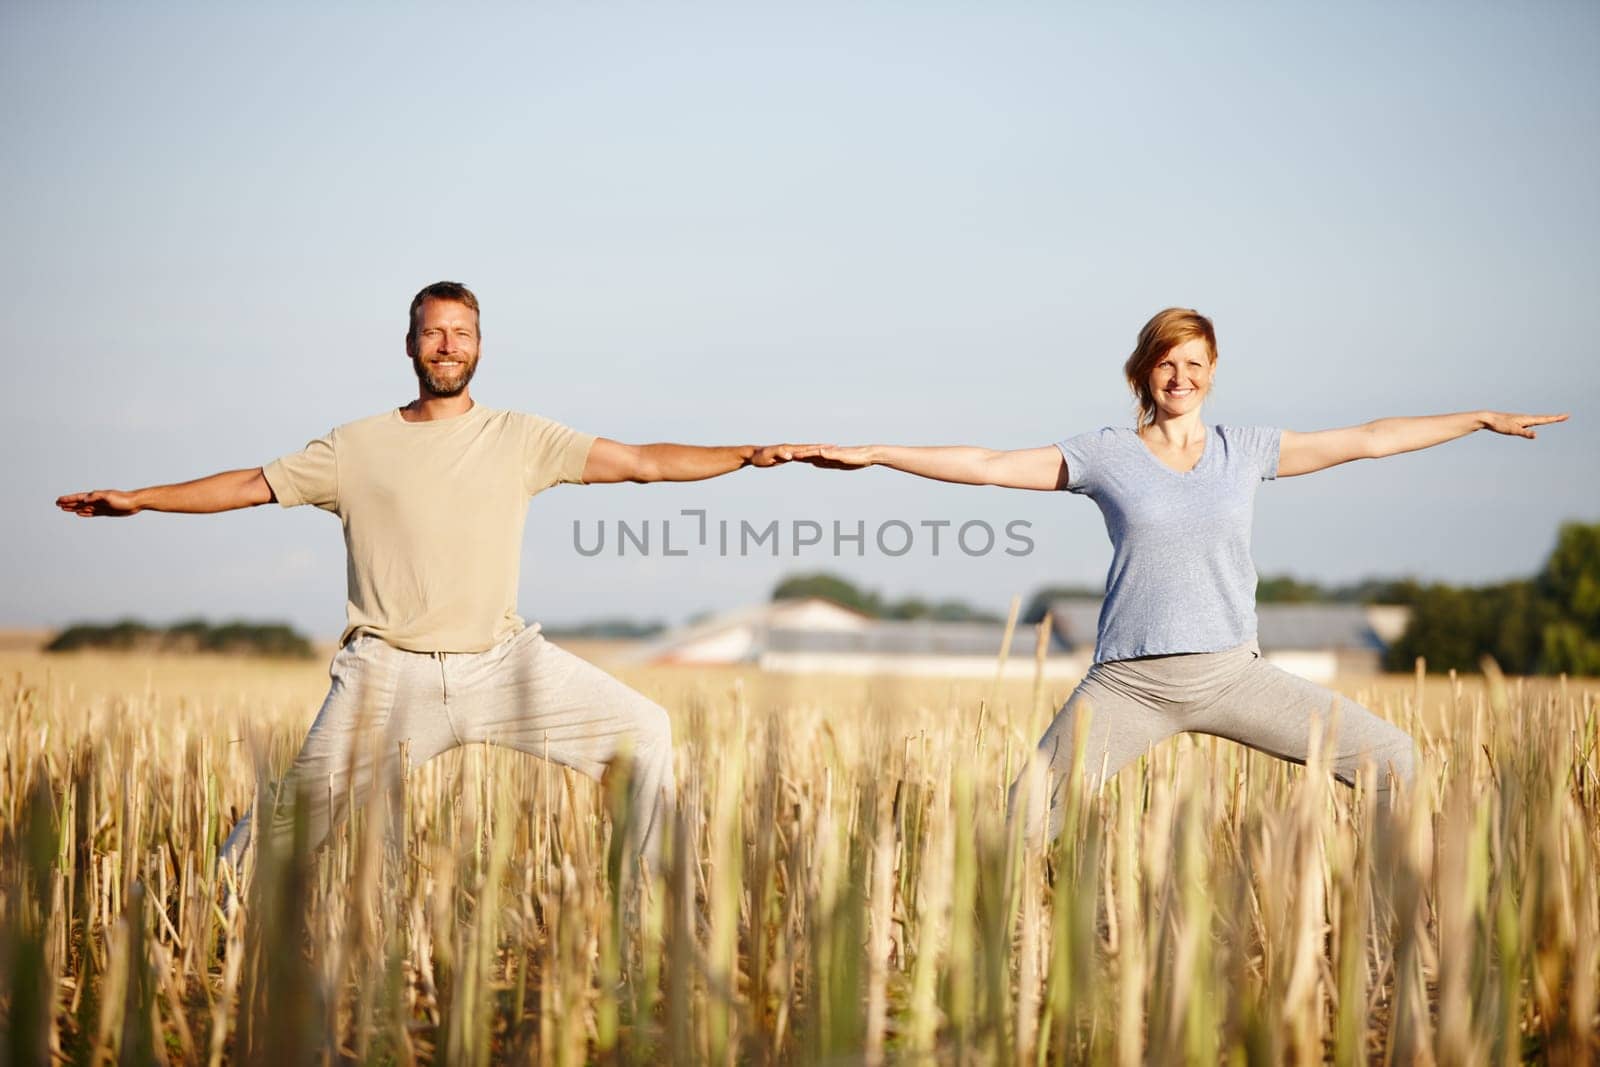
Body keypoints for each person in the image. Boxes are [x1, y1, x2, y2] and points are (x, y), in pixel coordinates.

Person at [56, 280, 806, 878]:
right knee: (281, 831)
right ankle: (205, 923)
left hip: (502, 663)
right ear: (411, 344)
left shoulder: (521, 437)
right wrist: (141, 498)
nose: (447, 345)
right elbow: (252, 483)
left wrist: (744, 452)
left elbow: (643, 462)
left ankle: (643, 930)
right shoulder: (354, 447)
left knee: (646, 731)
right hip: (387, 678)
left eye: (461, 333)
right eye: (433, 332)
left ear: (481, 346)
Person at [793, 307, 1567, 840]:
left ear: (1213, 370)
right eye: (1165, 361)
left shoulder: (1248, 449)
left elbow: (1368, 437)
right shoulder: (1107, 455)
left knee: (1394, 759)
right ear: (1143, 371)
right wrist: (879, 452)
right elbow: (992, 465)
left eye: (1193, 361)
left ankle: (1420, 909)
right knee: (1024, 817)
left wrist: (1476, 418)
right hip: (1128, 683)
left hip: (1236, 674)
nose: (1179, 374)